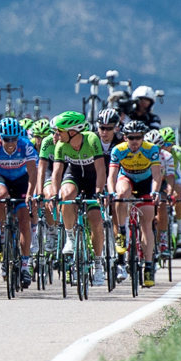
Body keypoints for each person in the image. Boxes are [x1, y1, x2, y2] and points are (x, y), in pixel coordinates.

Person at [50, 112, 108, 287]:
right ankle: (70, 238)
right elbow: (57, 173)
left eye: (59, 131)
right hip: (73, 175)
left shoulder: (91, 139)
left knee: (96, 221)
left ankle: (98, 266)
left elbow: (100, 169)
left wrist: (98, 192)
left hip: (92, 181)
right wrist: (54, 194)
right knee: (66, 195)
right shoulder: (60, 145)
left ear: (73, 132)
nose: (56, 135)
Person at [0, 118, 38, 288]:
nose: (11, 143)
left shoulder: (26, 145)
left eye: (14, 139)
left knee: (24, 221)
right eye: (7, 139)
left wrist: (30, 194)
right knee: (0, 195)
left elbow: (33, 172)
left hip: (21, 180)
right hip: (2, 178)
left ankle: (26, 267)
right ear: (0, 138)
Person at [108, 120, 163, 287]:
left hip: (146, 183)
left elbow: (156, 176)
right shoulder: (118, 150)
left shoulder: (151, 149)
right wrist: (111, 193)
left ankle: (148, 266)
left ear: (143, 137)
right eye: (131, 138)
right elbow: (112, 176)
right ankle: (122, 230)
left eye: (138, 138)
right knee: (121, 193)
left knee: (146, 223)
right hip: (127, 180)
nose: (134, 141)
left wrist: (155, 192)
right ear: (125, 137)